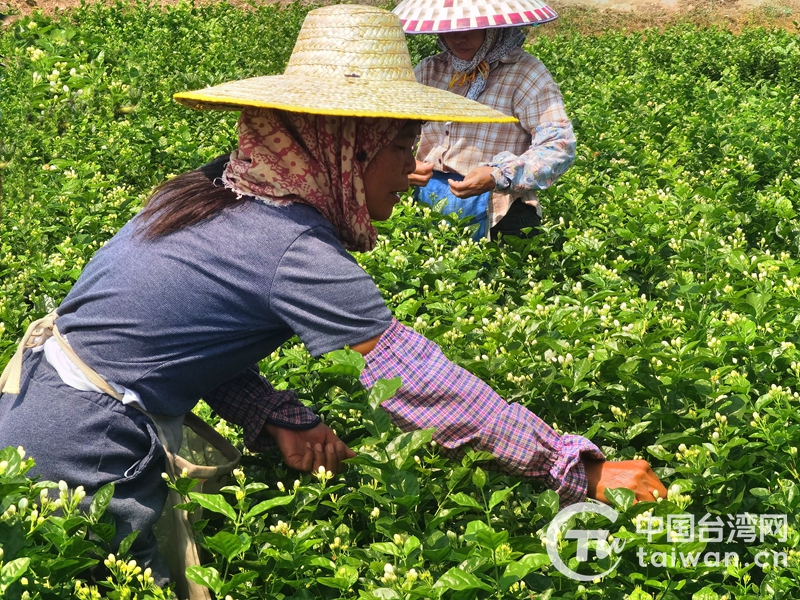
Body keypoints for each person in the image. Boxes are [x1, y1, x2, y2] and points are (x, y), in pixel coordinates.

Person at [0, 4, 665, 593]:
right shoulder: (294, 247)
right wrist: (576, 468)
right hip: (86, 447)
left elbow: (184, 334)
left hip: (29, 412)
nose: (415, 172)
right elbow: (423, 385)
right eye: (404, 146)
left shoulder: (216, 189)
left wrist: (275, 414)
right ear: (345, 150)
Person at [393, 0, 574, 241]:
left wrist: (497, 174)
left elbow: (559, 146)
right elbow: (393, 133)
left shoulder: (525, 73)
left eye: (470, 26)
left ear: (492, 28)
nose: (458, 38)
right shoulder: (430, 71)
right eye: (450, 28)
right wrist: (401, 164)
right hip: (430, 203)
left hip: (501, 209)